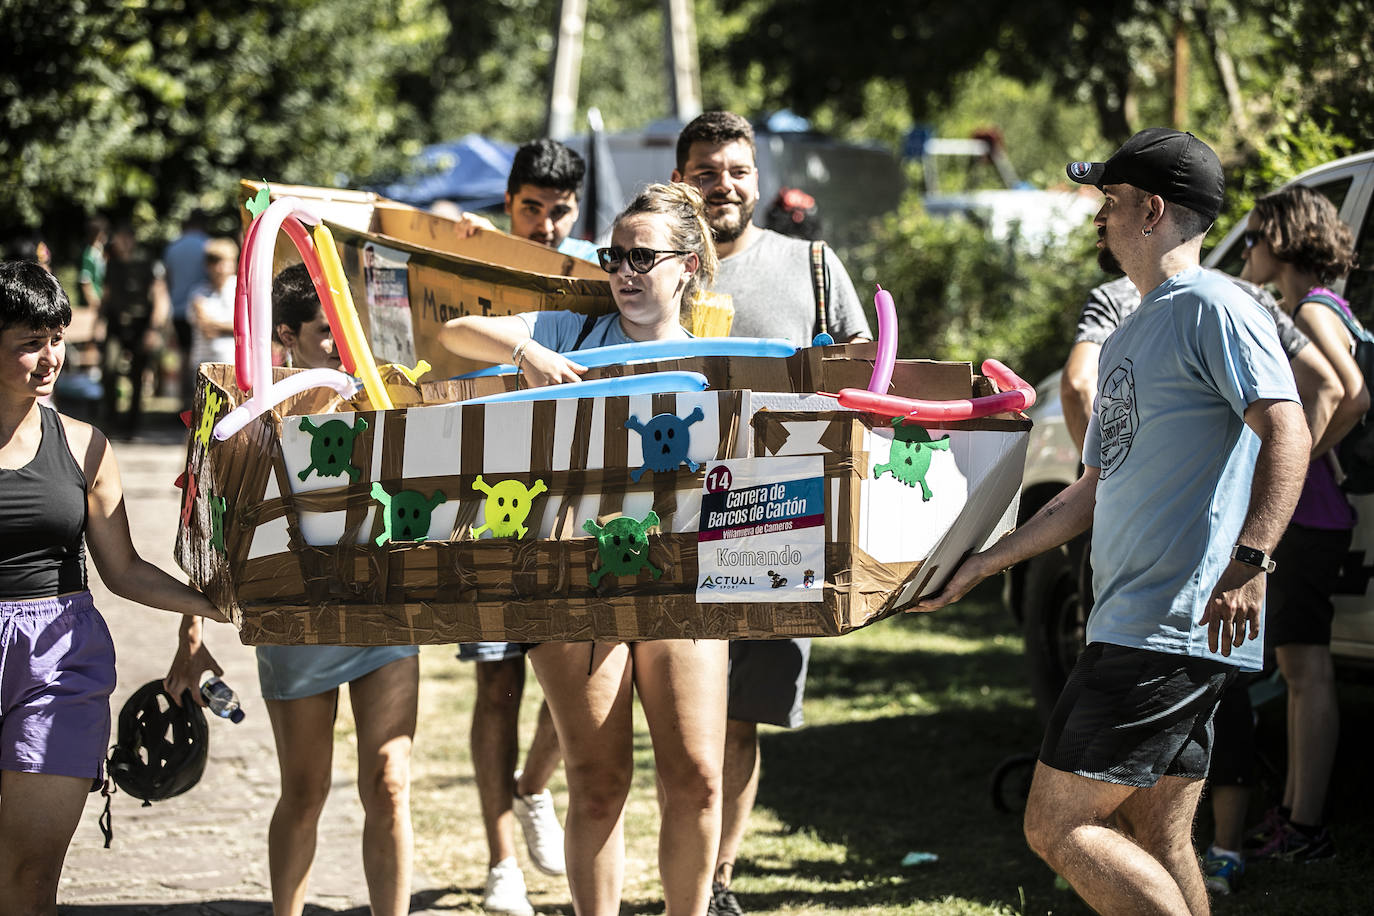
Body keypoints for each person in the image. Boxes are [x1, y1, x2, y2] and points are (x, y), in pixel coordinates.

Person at [918, 128, 1311, 916]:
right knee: (1155, 836)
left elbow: (1290, 430)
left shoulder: (1215, 306)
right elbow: (1089, 491)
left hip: (1161, 627)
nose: (1098, 217)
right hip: (1134, 622)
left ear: (1152, 209)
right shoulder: (1131, 328)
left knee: (1056, 826)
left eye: (1110, 201)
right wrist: (985, 563)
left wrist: (1252, 560)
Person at [440, 182, 728, 916]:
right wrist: (529, 349)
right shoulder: (573, 333)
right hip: (569, 575)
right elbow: (451, 338)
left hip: (684, 578)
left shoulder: (722, 352)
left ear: (687, 265)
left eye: (643, 257)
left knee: (695, 775)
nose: (625, 272)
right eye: (614, 257)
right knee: (599, 781)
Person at [165, 263, 421, 916]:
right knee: (305, 791)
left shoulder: (387, 395)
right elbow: (207, 533)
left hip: (382, 616)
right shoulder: (250, 411)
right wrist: (190, 638)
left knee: (390, 784)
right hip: (295, 626)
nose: (342, 342)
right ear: (285, 335)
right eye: (325, 331)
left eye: (347, 327)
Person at [670, 110, 872, 916]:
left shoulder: (813, 265)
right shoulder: (651, 262)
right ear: (681, 178)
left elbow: (867, 367)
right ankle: (674, 872)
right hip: (668, 518)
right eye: (707, 170)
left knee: (742, 714)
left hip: (773, 517)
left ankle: (716, 882)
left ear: (757, 177)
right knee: (678, 715)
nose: (724, 185)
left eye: (737, 170)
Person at [0, 259, 228, 916]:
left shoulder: (84, 447)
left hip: (59, 661)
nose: (49, 359)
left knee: (30, 874)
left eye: (57, 338)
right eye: (28, 344)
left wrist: (213, 605)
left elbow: (123, 569)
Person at [1227, 185, 1365, 866]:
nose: (1248, 249)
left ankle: (1306, 829)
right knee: (1301, 667)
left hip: (1308, 515)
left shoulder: (1310, 309)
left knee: (1307, 672)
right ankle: (1293, 818)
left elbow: (1348, 391)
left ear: (1281, 241)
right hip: (1319, 514)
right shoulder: (1325, 306)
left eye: (1253, 236)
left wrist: (1298, 460)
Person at [452, 139, 600, 265]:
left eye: (559, 212)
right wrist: (491, 243)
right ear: (508, 203)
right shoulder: (479, 253)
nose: (546, 228)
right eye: (532, 210)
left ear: (576, 210)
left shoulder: (600, 267)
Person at [97, 224, 170, 437]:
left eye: (126, 238)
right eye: (119, 239)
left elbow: (160, 298)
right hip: (116, 325)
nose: (123, 243)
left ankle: (132, 424)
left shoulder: (147, 264)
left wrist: (154, 329)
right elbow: (106, 296)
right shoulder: (112, 265)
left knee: (137, 375)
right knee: (109, 368)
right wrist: (98, 323)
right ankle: (111, 419)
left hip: (141, 326)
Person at [163, 210, 210, 402]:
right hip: (203, 309)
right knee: (202, 357)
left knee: (184, 356)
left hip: (179, 309)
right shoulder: (207, 245)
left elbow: (168, 279)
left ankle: (183, 402)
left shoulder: (173, 247)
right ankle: (199, 400)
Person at [187, 238, 239, 371]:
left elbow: (248, 327)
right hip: (203, 363)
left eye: (226, 262)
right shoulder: (198, 292)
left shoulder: (241, 290)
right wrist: (232, 327)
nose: (221, 268)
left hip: (233, 363)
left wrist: (216, 326)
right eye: (216, 262)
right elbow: (206, 329)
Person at [78, 216, 108, 313]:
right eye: (104, 231)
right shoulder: (89, 253)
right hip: (94, 301)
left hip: (103, 299)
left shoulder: (100, 250)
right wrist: (93, 301)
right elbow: (85, 280)